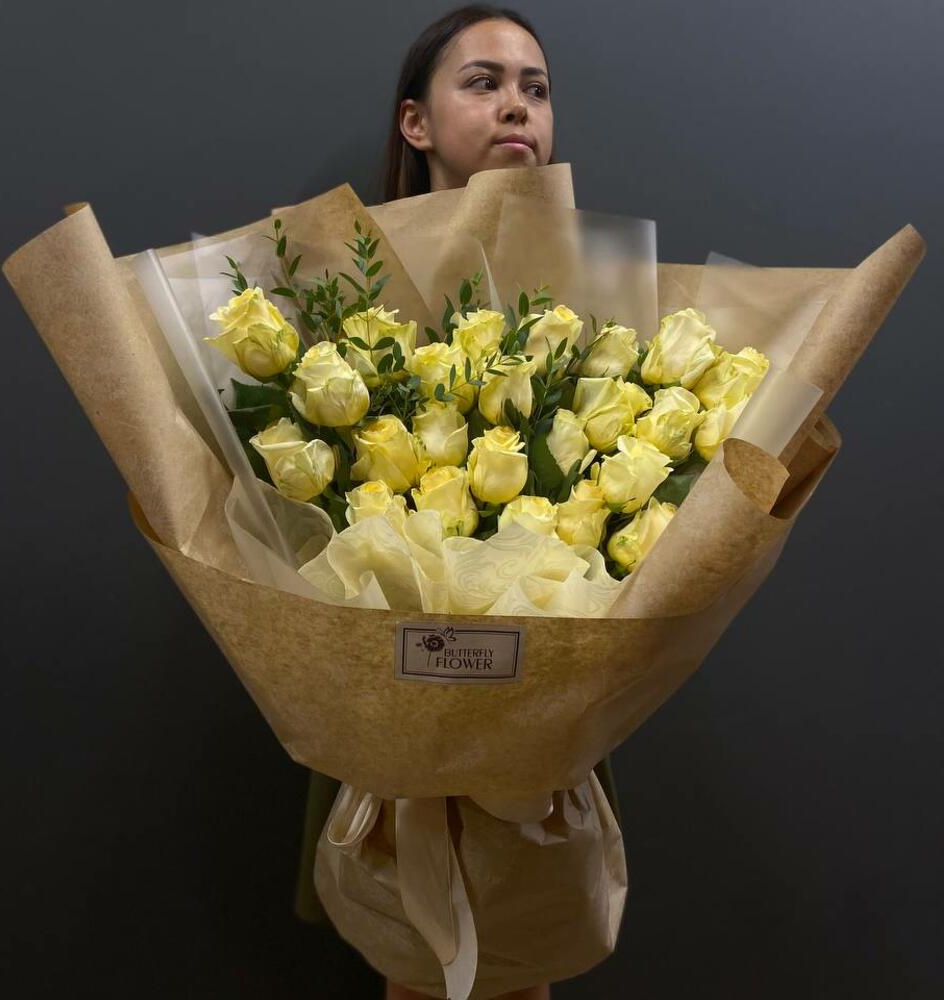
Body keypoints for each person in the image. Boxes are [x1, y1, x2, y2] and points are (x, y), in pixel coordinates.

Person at [293, 7, 621, 1000]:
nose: (517, 104)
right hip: (388, 717)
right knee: (417, 953)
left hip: (539, 714)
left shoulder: (592, 316)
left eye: (535, 87)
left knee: (520, 939)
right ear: (416, 122)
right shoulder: (343, 308)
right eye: (483, 82)